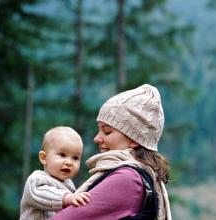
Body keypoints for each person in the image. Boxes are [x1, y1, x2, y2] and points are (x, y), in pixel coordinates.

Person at [49, 84, 172, 220]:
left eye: (107, 131)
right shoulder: (137, 176)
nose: (97, 138)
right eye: (99, 129)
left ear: (134, 139)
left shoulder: (127, 178)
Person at [20, 126, 90, 220]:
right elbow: (42, 195)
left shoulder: (69, 184)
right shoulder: (37, 179)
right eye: (62, 155)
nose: (69, 162)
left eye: (75, 158)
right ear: (44, 158)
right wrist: (67, 198)